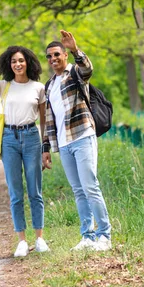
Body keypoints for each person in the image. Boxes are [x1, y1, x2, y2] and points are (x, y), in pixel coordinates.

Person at [0, 34, 49, 257]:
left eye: (21, 60)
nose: (18, 64)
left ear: (28, 62)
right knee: (16, 193)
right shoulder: (3, 86)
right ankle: (21, 240)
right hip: (9, 139)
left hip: (31, 138)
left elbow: (44, 120)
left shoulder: (38, 88)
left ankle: (39, 239)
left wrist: (46, 148)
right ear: (9, 64)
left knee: (35, 191)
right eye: (13, 61)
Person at [41, 30, 112, 251]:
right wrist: (46, 148)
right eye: (49, 56)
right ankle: (87, 236)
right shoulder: (49, 85)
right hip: (63, 144)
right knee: (78, 190)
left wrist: (75, 49)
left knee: (90, 187)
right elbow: (49, 120)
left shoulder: (74, 74)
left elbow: (87, 68)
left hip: (82, 136)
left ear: (64, 55)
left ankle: (104, 236)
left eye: (57, 55)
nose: (53, 59)